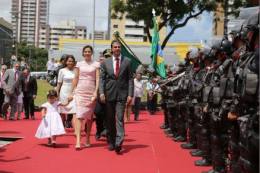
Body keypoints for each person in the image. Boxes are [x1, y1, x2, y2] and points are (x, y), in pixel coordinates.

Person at [99, 40, 134, 154]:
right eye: (115, 47)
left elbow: (130, 79)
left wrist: (130, 94)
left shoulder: (127, 61)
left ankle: (119, 142)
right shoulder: (105, 62)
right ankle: (111, 141)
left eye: (119, 47)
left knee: (119, 118)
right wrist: (101, 93)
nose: (117, 48)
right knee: (110, 119)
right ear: (111, 49)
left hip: (122, 95)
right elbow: (102, 79)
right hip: (109, 94)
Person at [71, 45, 100, 149]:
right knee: (79, 116)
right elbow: (76, 77)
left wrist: (96, 92)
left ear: (92, 53)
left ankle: (87, 138)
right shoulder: (78, 64)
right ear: (83, 53)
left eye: (89, 51)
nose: (87, 53)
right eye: (85, 51)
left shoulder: (96, 64)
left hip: (91, 91)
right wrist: (72, 92)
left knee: (89, 118)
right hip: (80, 91)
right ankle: (78, 140)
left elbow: (97, 79)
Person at [56, 55, 76, 128]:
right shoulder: (62, 70)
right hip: (64, 91)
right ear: (66, 62)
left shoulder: (76, 70)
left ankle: (72, 124)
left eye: (72, 61)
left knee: (74, 110)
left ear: (74, 62)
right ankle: (62, 125)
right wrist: (57, 93)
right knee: (62, 110)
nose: (70, 62)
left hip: (73, 91)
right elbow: (59, 83)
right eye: (69, 61)